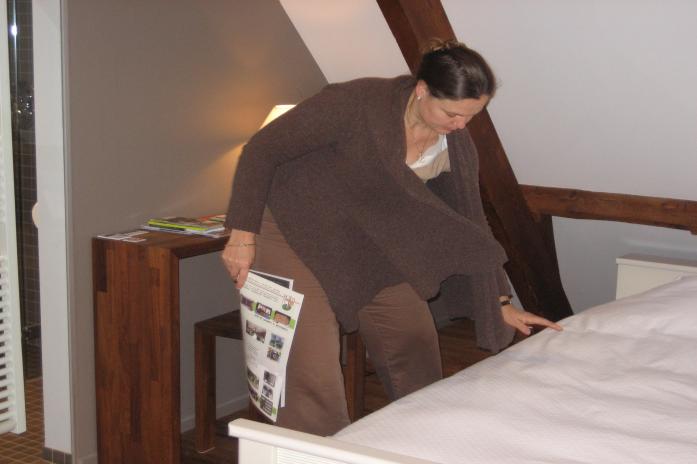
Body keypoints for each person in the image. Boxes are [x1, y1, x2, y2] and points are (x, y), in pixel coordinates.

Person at [222, 40, 562, 436]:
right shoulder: (356, 102)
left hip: (364, 238)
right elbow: (261, 150)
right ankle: (321, 452)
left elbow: (468, 224)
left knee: (414, 339)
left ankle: (425, 439)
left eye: (472, 115)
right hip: (290, 228)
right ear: (422, 90)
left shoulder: (453, 143)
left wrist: (499, 300)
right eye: (452, 113)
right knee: (310, 366)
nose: (461, 125)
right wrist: (241, 235)